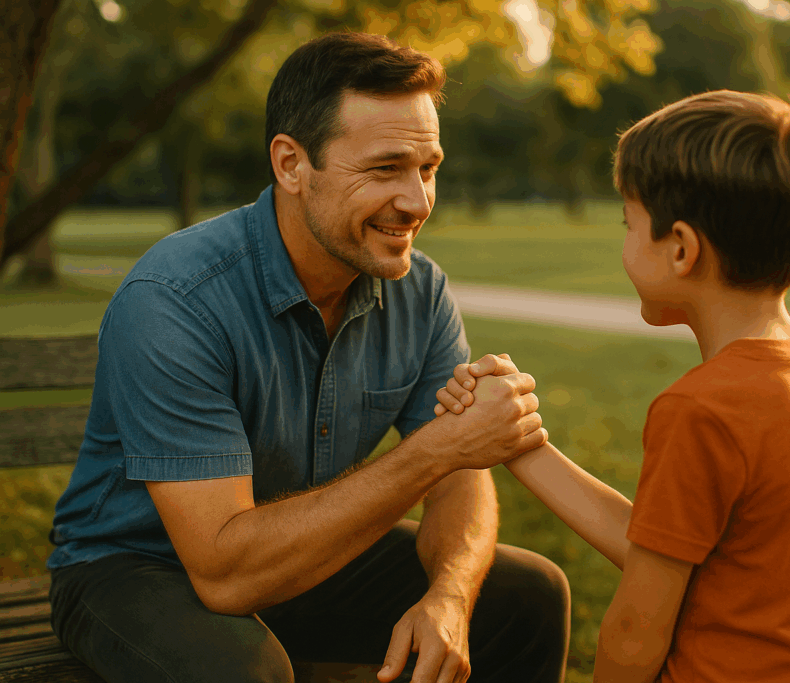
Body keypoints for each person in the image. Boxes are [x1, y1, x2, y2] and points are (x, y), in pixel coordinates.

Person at [46, 32, 570, 683]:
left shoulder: (420, 291)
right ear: (292, 165)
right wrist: (437, 450)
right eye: (385, 169)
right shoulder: (177, 299)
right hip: (135, 566)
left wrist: (450, 595)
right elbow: (225, 575)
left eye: (428, 168)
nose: (417, 201)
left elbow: (460, 479)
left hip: (309, 549)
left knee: (528, 597)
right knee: (243, 671)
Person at [435, 91, 790, 683]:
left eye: (629, 223)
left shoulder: (701, 409)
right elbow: (666, 550)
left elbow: (635, 629)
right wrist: (518, 442)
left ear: (680, 248)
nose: (624, 242)